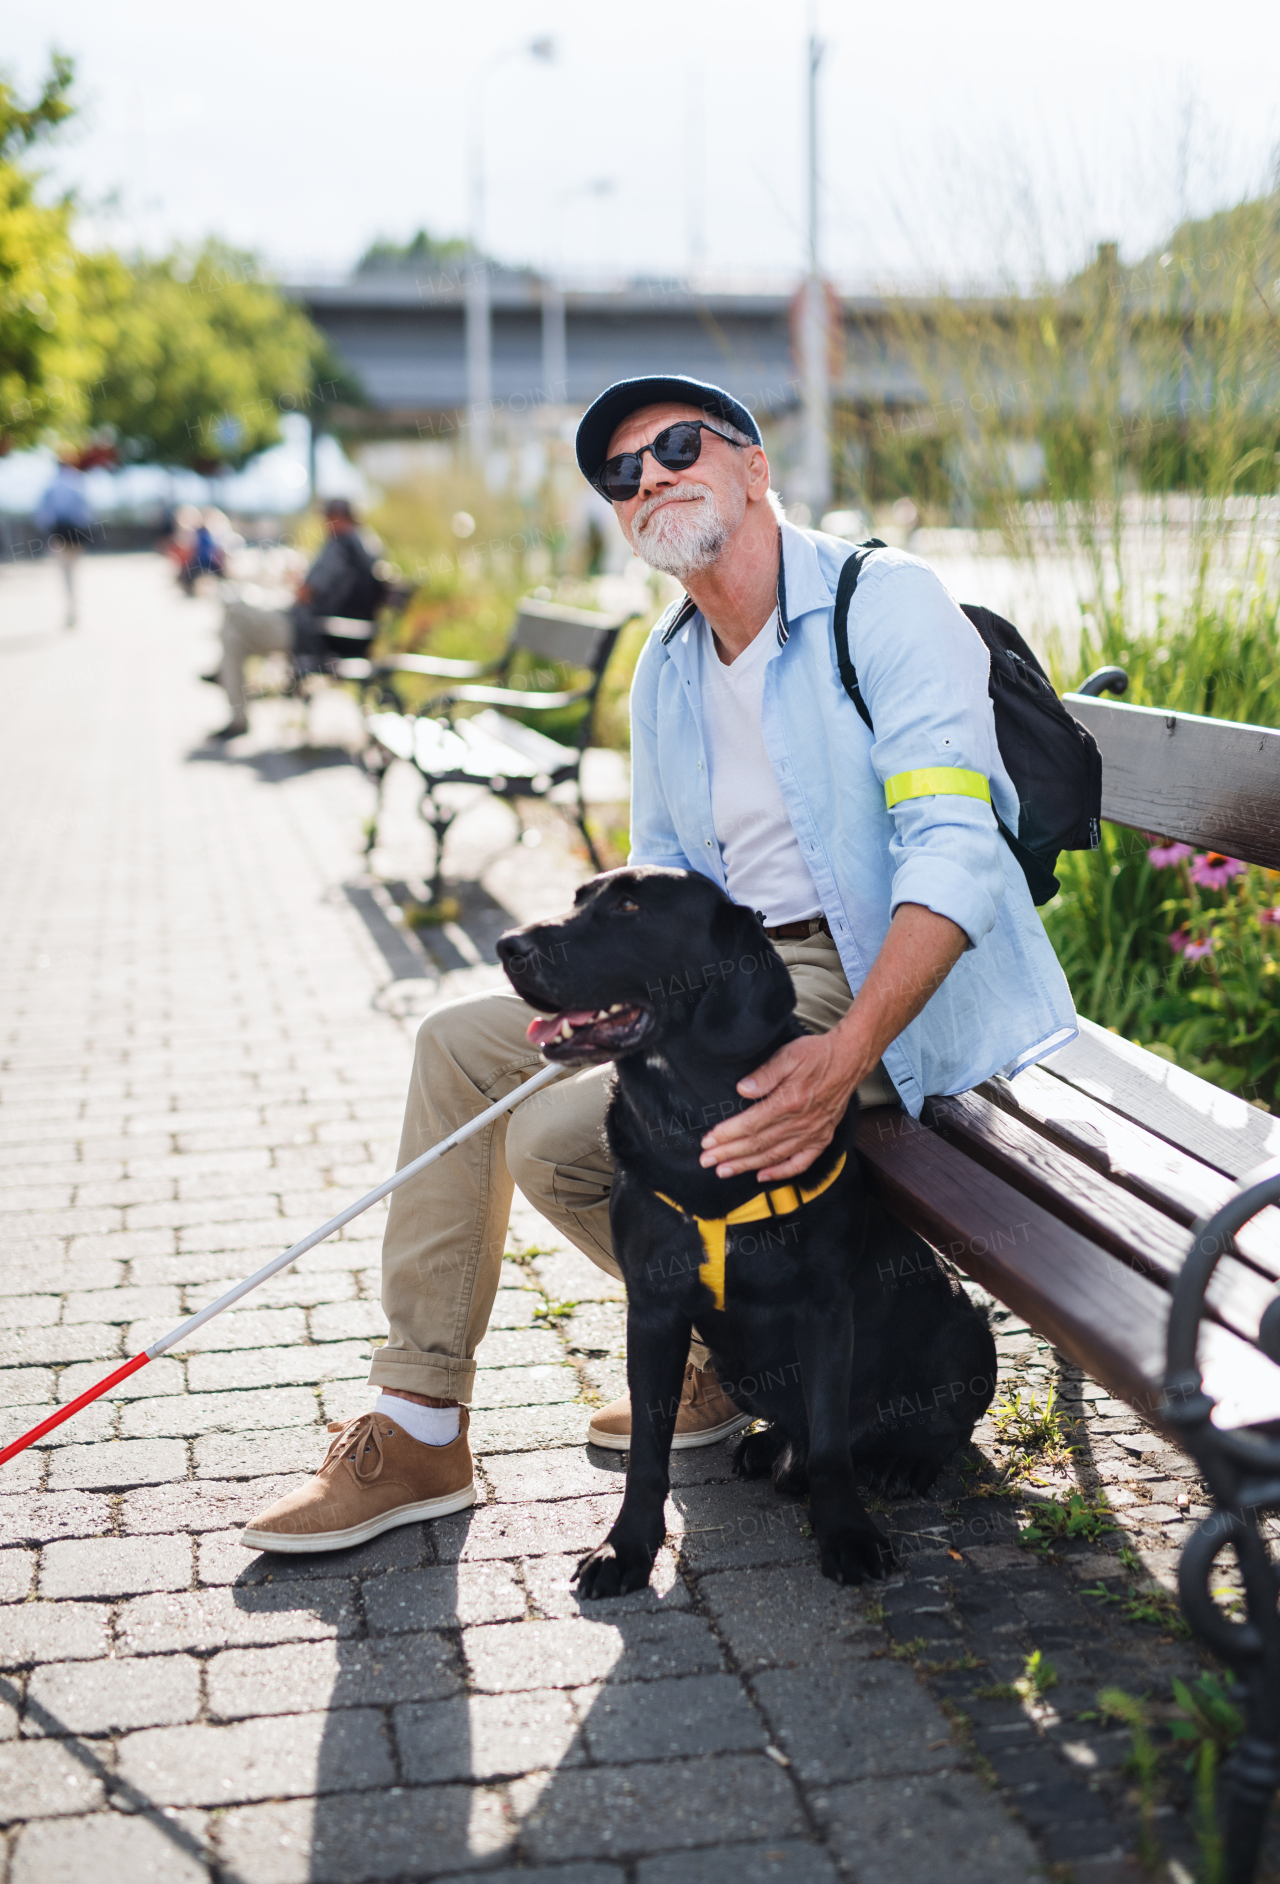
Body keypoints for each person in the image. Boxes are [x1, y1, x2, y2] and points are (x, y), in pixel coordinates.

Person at [242, 373, 1076, 1552]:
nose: (649, 478)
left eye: (677, 446)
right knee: (460, 1047)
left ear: (752, 464)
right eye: (619, 473)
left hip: (890, 968)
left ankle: (712, 1349)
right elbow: (662, 886)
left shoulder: (879, 605)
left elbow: (954, 853)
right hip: (735, 988)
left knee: (553, 1143)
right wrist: (595, 1008)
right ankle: (419, 1422)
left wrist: (843, 1055)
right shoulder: (668, 667)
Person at [205, 497, 382, 741]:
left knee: (234, 608)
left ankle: (234, 707)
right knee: (233, 638)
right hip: (335, 631)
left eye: (327, 517)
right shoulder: (366, 544)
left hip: (311, 632)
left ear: (338, 518)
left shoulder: (340, 546)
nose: (324, 523)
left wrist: (296, 580)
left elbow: (306, 593)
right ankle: (231, 699)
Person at [33, 449, 96, 631]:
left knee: (65, 573)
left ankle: (69, 608)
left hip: (59, 535)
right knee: (75, 571)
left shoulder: (51, 484)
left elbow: (43, 514)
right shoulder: (78, 482)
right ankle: (75, 607)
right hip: (76, 536)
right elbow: (86, 512)